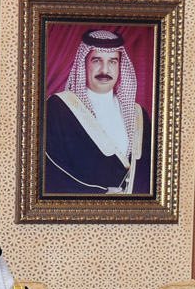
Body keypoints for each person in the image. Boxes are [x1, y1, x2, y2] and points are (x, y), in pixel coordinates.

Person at [44, 29, 153, 195]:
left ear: (120, 66)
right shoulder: (58, 108)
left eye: (113, 62)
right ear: (84, 64)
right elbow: (48, 171)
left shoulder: (139, 115)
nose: (105, 70)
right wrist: (100, 195)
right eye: (97, 60)